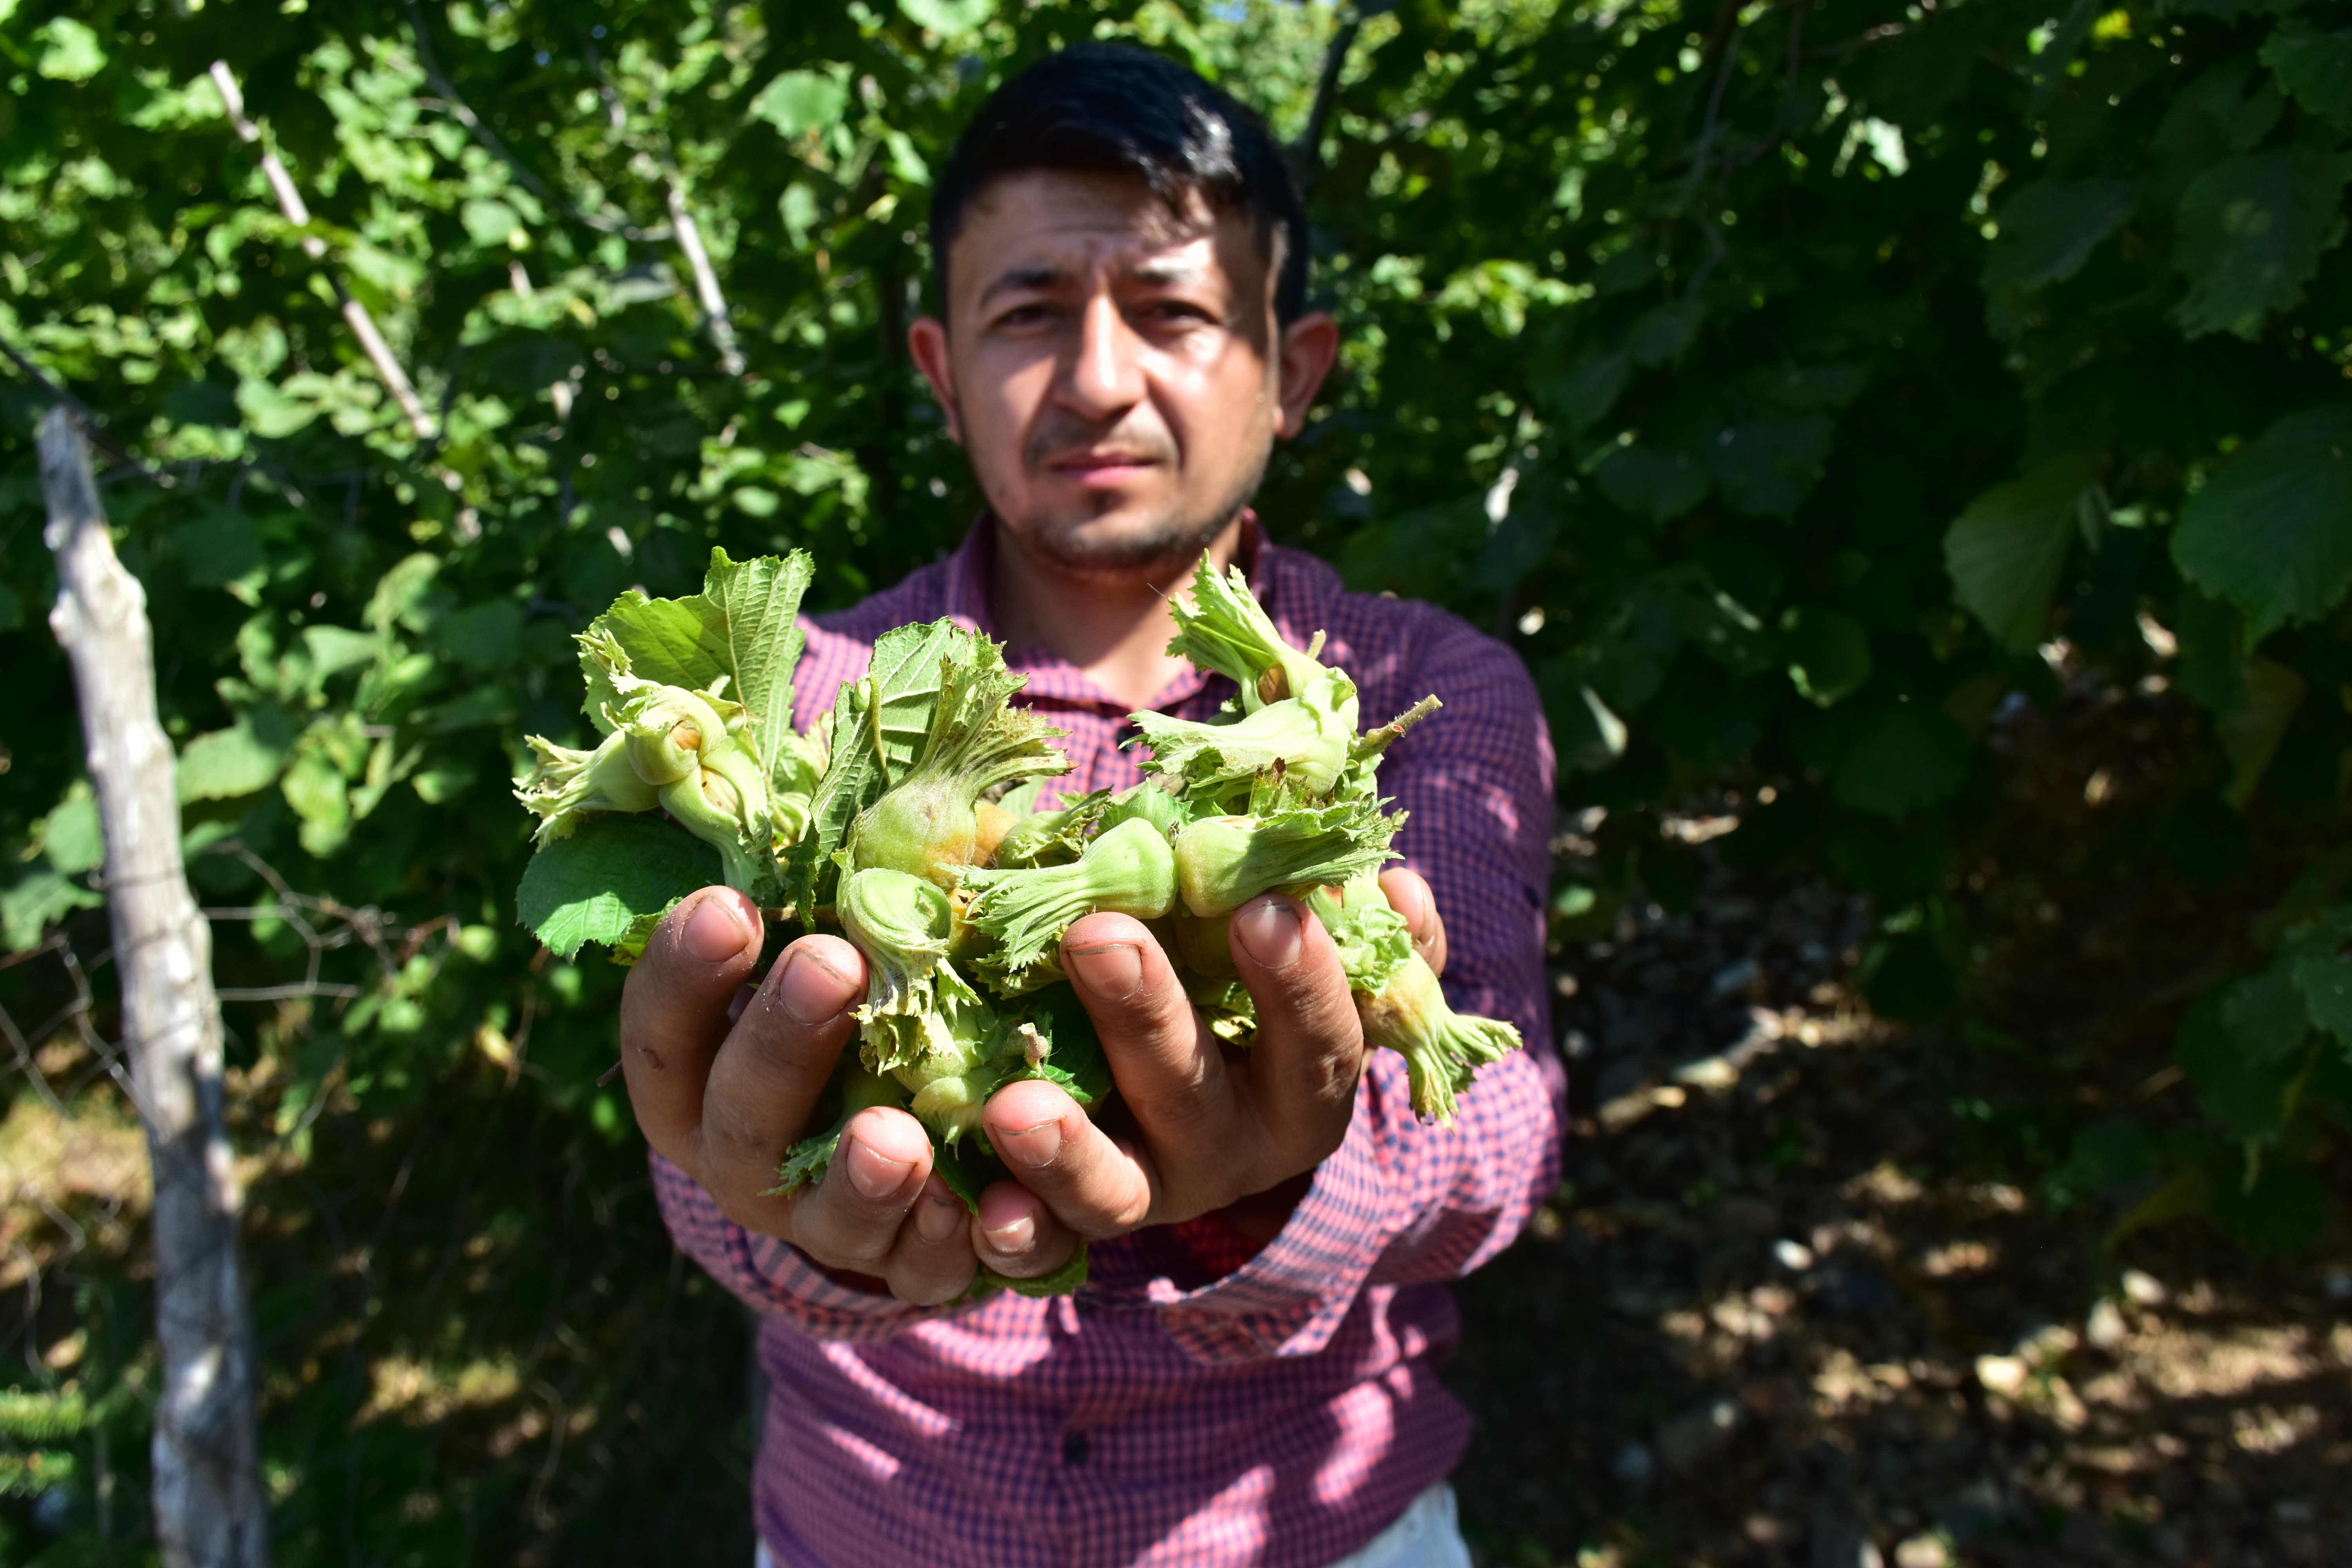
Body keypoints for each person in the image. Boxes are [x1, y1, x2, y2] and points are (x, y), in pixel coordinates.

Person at [617, 44, 1562, 1568]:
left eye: (1173, 311)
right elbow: (716, 1150)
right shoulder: (799, 707)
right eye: (1031, 312)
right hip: (874, 1527)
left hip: (1309, 1528)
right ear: (942, 373)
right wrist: (776, 1208)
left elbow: (1501, 1134)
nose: (1101, 378)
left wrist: (1276, 1189)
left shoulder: (1420, 694)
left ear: (1295, 369)